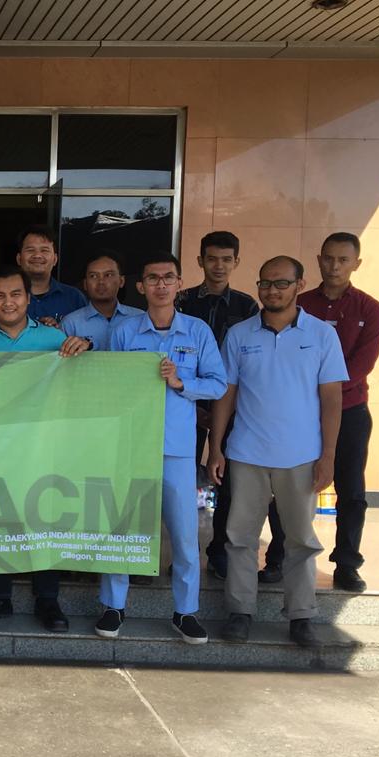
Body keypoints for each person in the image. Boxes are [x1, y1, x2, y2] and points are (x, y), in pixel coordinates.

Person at [208, 256, 348, 648]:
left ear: (299, 285)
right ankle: (240, 612)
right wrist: (216, 447)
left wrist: (328, 455)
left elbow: (332, 399)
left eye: (281, 283)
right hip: (246, 453)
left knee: (301, 540)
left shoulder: (322, 335)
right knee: (240, 537)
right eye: (265, 283)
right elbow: (226, 394)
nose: (272, 290)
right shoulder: (239, 334)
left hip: (301, 455)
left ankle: (301, 616)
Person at [90, 253, 226, 645]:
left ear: (180, 283)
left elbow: (218, 384)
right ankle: (113, 606)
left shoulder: (197, 331)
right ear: (140, 286)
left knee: (184, 535)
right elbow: (111, 386)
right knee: (121, 528)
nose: (161, 285)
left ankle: (185, 611)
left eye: (168, 278)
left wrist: (182, 383)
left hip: (177, 449)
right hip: (131, 446)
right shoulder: (125, 332)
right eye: (153, 278)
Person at [0, 267, 70, 633]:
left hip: (42, 446)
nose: (8, 302)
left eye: (15, 295)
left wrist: (83, 348)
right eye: (0, 296)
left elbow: (74, 386)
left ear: (28, 298)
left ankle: (48, 600)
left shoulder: (54, 339)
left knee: (44, 519)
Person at [176, 230, 281, 582]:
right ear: (200, 261)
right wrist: (195, 404)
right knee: (181, 482)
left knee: (229, 484)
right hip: (184, 405)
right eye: (211, 259)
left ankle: (218, 551)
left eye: (226, 259)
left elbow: (249, 363)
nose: (218, 266)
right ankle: (184, 553)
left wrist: (224, 409)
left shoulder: (247, 306)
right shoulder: (182, 301)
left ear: (236, 262)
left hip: (234, 408)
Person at [293, 232, 379, 593]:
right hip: (301, 412)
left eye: (343, 260)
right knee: (290, 485)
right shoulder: (299, 304)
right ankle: (279, 556)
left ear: (356, 264)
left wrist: (323, 390)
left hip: (350, 411)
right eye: (328, 258)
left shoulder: (370, 309)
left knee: (351, 491)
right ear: (318, 260)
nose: (334, 266)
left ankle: (347, 564)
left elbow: (361, 365)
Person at [60, 249, 145, 351]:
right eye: (93, 276)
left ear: (121, 281)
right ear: (85, 284)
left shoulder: (140, 318)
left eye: (108, 275)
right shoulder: (70, 323)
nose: (101, 282)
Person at [15, 225, 85, 326]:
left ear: (55, 259)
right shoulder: (6, 298)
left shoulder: (74, 298)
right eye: (30, 250)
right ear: (19, 259)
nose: (37, 255)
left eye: (44, 250)